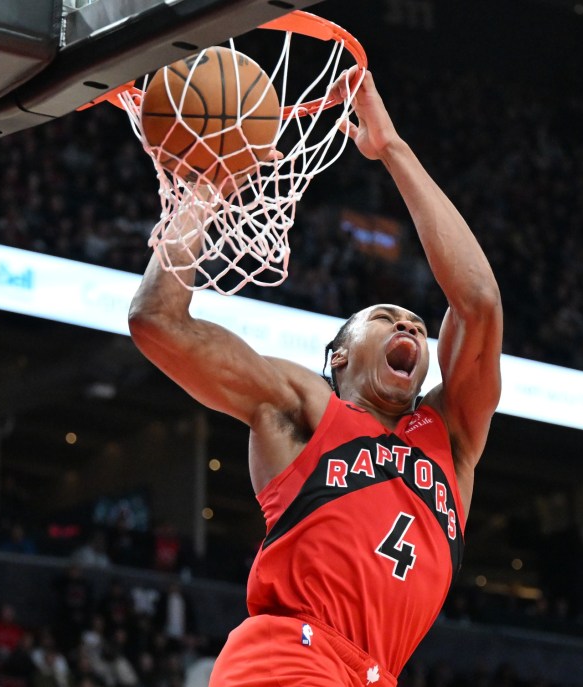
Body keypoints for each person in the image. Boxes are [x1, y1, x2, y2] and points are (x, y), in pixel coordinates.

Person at [128, 67, 502, 686]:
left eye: (414, 323)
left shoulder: (452, 440)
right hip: (291, 656)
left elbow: (478, 303)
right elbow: (158, 324)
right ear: (338, 356)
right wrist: (199, 195)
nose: (407, 326)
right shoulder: (302, 407)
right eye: (384, 317)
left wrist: (392, 150)